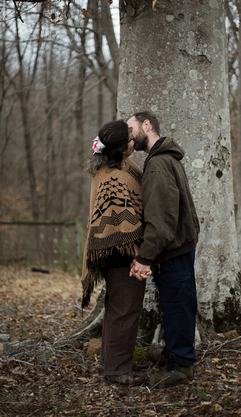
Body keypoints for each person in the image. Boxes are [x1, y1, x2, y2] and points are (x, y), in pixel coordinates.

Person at [127, 111, 200, 388]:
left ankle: (181, 365)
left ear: (147, 125)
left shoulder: (157, 164)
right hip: (181, 243)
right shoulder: (166, 157)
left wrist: (144, 257)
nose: (129, 135)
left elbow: (160, 219)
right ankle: (175, 351)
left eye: (131, 128)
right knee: (175, 302)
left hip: (174, 247)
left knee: (178, 303)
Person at [81, 120, 146, 386]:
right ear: (121, 148)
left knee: (118, 308)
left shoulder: (116, 167)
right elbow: (118, 220)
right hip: (120, 253)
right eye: (130, 137)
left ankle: (114, 363)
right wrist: (137, 254)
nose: (134, 139)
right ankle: (118, 371)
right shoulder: (114, 176)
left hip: (114, 251)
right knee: (125, 310)